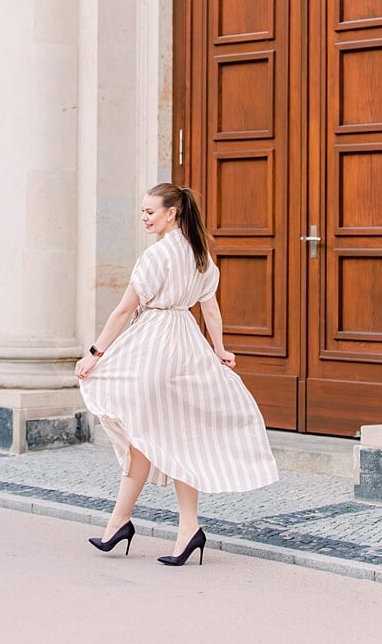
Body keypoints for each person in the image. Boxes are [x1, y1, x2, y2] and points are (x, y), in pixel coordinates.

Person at [75, 183, 278, 566]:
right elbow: (211, 310)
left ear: (172, 213)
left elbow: (122, 310)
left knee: (144, 433)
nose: (144, 218)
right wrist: (218, 349)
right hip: (186, 344)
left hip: (154, 347)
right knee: (176, 437)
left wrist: (95, 354)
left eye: (150, 211)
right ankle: (180, 529)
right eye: (142, 211)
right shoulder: (201, 256)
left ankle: (128, 523)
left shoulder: (156, 256)